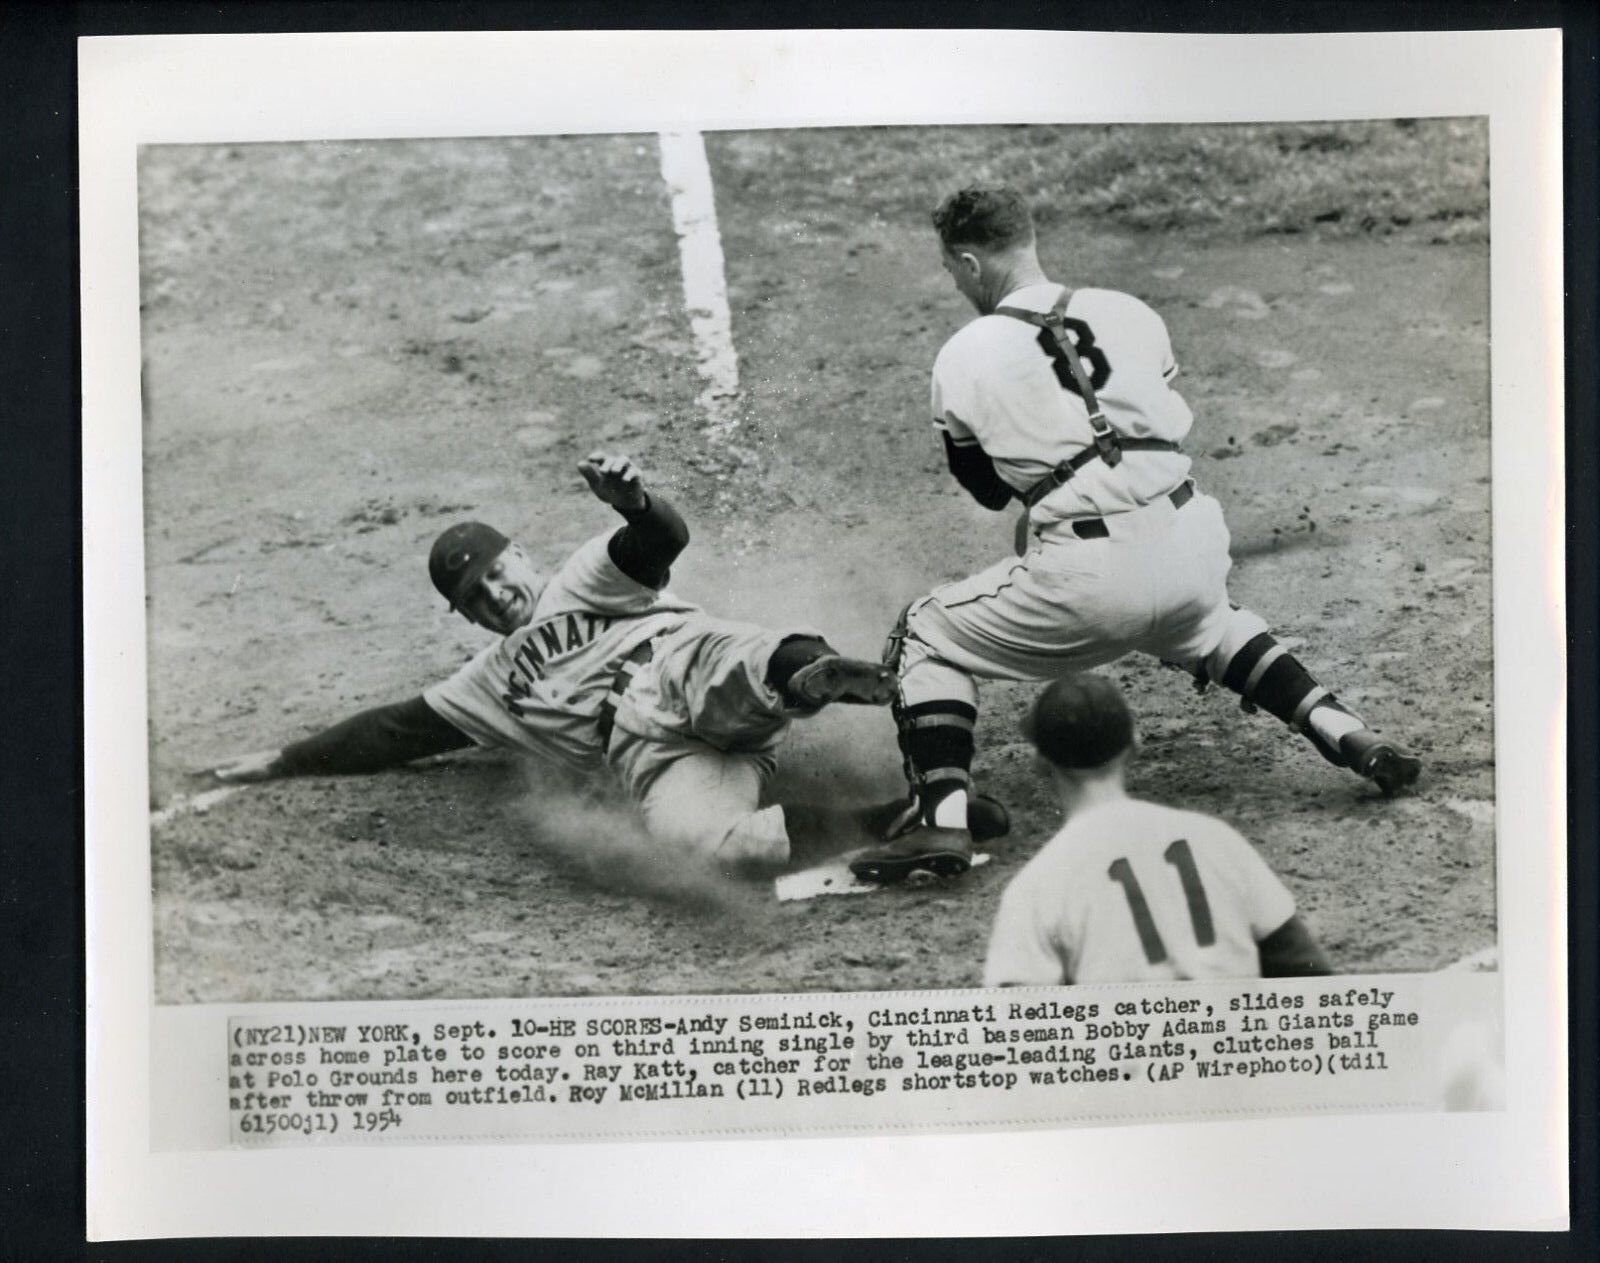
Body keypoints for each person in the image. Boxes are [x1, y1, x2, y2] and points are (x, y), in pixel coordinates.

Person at [849, 186, 1419, 884]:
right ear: (1029, 237)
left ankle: (941, 819)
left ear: (968, 263)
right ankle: (1343, 728)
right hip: (1192, 538)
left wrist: (1044, 483)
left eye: (950, 270)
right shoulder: (1131, 312)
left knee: (922, 632)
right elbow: (1134, 425)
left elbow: (989, 489)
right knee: (1211, 627)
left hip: (1085, 579)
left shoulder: (963, 354)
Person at [210, 452, 903, 871]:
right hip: (651, 756)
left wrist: (637, 502)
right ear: (466, 616)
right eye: (474, 597)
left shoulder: (582, 576)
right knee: (703, 846)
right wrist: (283, 759)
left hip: (674, 667)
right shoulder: (482, 686)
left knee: (737, 664)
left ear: (521, 556)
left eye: (496, 573)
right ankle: (891, 819)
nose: (495, 594)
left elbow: (660, 539)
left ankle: (819, 670)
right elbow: (391, 731)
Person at [982, 675, 1332, 985]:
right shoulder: (1216, 839)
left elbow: (1017, 1026)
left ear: (1041, 763)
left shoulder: (1037, 885)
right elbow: (1306, 970)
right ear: (1135, 744)